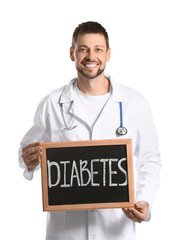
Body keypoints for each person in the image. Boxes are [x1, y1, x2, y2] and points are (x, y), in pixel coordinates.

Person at [19, 21, 161, 240]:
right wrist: (27, 161)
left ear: (108, 54)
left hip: (115, 230)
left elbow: (150, 160)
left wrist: (143, 200)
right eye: (83, 48)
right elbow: (26, 151)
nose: (90, 56)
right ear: (72, 53)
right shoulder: (51, 104)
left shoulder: (134, 103)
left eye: (98, 49)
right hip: (66, 232)